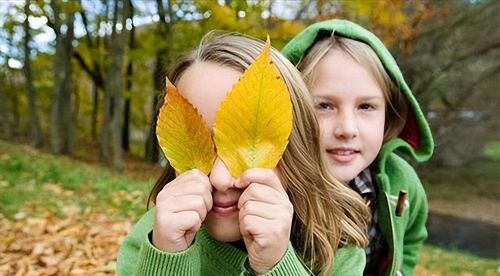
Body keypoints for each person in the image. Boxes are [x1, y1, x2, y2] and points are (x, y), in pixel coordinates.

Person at [117, 32, 371, 276]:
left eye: (245, 145)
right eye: (200, 144)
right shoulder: (151, 238)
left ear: (297, 148)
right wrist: (166, 261)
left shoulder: (337, 249)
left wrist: (276, 265)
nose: (219, 179)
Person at [282, 19, 434, 276]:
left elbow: (410, 239)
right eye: (324, 105)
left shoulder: (402, 182)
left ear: (390, 114)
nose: (347, 129)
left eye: (366, 107)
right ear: (289, 107)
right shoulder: (275, 190)